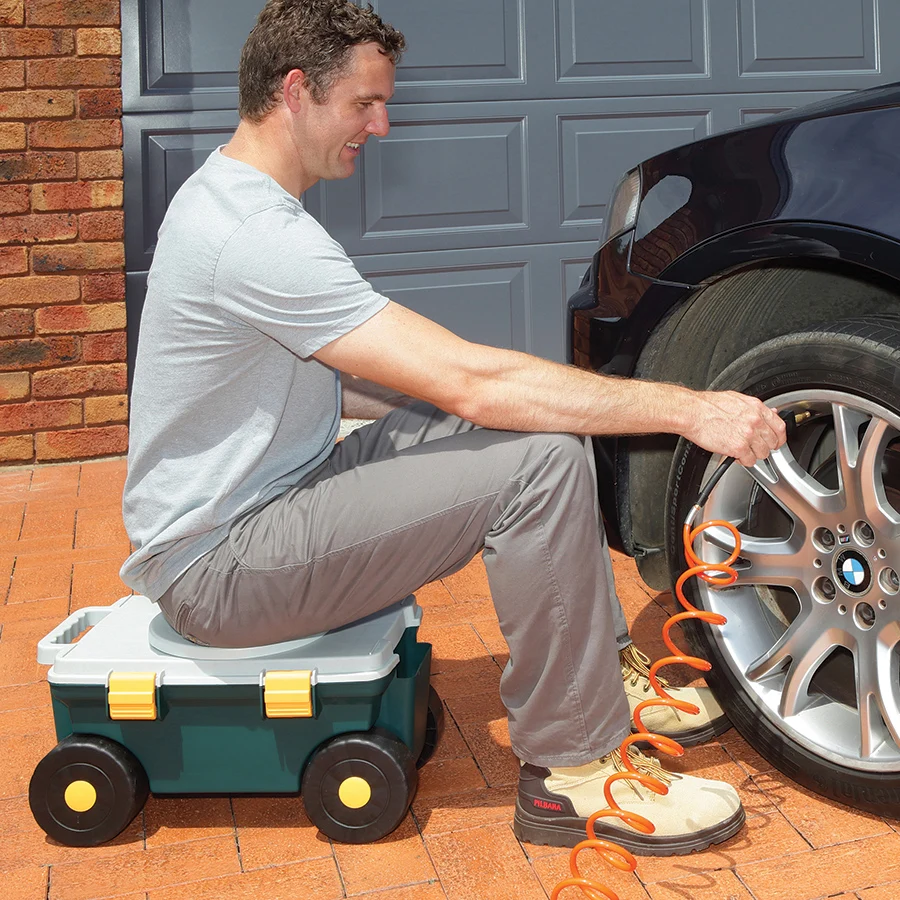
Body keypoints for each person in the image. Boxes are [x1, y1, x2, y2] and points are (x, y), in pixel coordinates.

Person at [121, 0, 786, 854]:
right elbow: (473, 381)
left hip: (264, 507)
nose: (382, 124)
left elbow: (343, 384)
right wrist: (694, 411)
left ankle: (600, 675)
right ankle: (575, 772)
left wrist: (450, 413)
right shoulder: (253, 234)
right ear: (296, 91)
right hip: (220, 567)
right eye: (364, 103)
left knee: (521, 415)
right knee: (535, 455)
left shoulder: (233, 196)